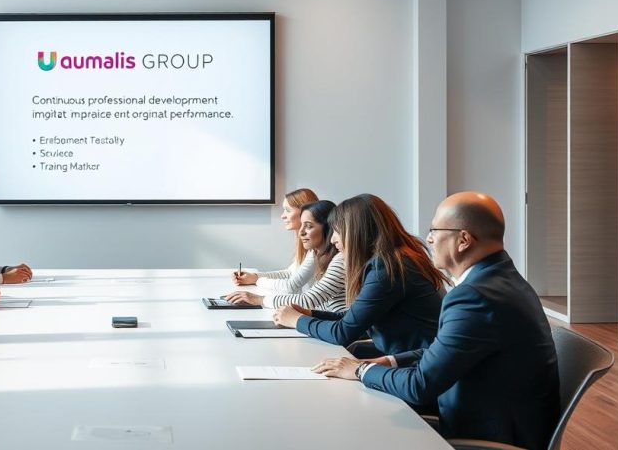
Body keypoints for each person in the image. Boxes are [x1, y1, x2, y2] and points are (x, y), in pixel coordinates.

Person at [312, 192, 560, 450]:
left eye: (435, 230)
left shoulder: (475, 296)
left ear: (463, 240)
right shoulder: (502, 280)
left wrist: (359, 370)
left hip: (488, 435)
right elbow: (444, 350)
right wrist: (391, 361)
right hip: (496, 418)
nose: (428, 238)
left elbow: (420, 386)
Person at [274, 194, 446, 357]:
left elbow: (343, 333)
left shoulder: (386, 268)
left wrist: (296, 320)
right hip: (407, 354)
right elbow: (354, 318)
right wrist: (311, 314)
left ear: (357, 231)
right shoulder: (397, 258)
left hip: (410, 363)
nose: (333, 240)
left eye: (337, 232)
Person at [225, 200, 346, 312]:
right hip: (329, 321)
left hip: (339, 326)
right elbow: (290, 273)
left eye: (308, 226)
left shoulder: (340, 260)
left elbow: (307, 300)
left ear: (328, 229)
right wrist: (256, 278)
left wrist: (259, 298)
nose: (301, 232)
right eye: (302, 225)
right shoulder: (316, 253)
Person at [232, 188, 319, 293]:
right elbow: (290, 273)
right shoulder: (306, 246)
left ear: (305, 213)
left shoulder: (316, 250)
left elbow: (291, 285)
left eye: (288, 210)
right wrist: (254, 276)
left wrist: (256, 280)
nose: (282, 216)